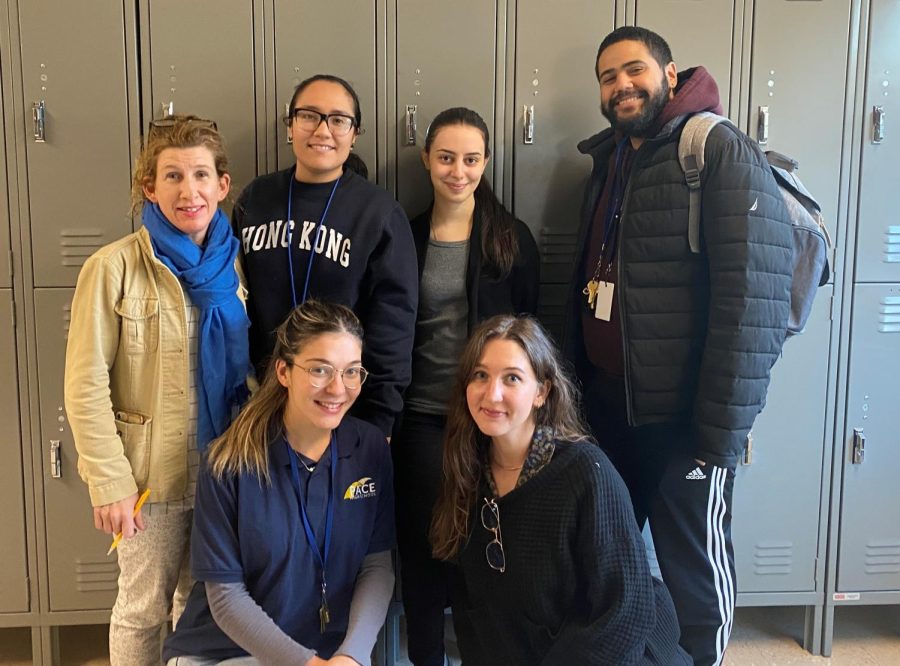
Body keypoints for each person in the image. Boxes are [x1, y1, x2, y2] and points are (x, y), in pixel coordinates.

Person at [564, 26, 794, 665]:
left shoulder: (715, 148)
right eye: (607, 77)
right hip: (611, 410)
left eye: (634, 70)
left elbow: (754, 305)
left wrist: (717, 434)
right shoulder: (612, 157)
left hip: (685, 419)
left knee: (693, 567)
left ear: (669, 74)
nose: (621, 86)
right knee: (606, 558)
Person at [64, 115, 250, 666]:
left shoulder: (235, 265)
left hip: (221, 470)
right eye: (171, 176)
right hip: (149, 480)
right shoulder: (113, 267)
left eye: (199, 175)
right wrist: (109, 481)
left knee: (199, 607)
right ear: (150, 188)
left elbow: (255, 369)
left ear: (222, 184)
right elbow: (85, 383)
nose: (187, 191)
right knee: (143, 608)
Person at [430, 315, 689, 665]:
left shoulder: (585, 472)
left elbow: (626, 614)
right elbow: (478, 615)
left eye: (512, 378)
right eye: (480, 375)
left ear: (542, 391)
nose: (492, 393)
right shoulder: (467, 473)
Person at [162, 299, 395, 665]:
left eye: (352, 372)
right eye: (320, 370)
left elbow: (376, 567)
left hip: (327, 654)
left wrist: (352, 655)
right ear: (284, 372)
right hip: (225, 652)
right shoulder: (227, 462)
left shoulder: (369, 450)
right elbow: (225, 597)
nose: (338, 388)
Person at [393, 106, 540, 666]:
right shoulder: (405, 234)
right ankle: (427, 656)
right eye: (447, 158)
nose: (459, 171)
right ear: (427, 160)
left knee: (487, 545)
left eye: (471, 159)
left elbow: (532, 332)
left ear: (486, 162)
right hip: (424, 416)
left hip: (493, 417)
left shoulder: (511, 238)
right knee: (426, 543)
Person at [233, 73, 417, 439]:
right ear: (290, 126)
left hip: (344, 408)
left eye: (338, 119)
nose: (322, 129)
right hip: (263, 405)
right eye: (309, 116)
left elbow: (393, 327)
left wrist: (379, 422)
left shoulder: (378, 212)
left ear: (354, 133)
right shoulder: (256, 199)